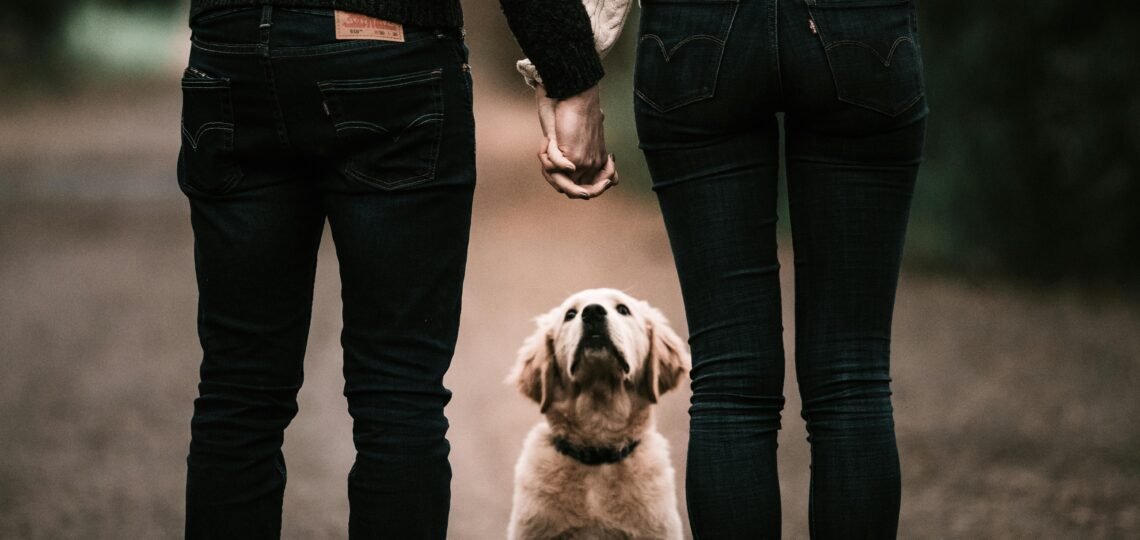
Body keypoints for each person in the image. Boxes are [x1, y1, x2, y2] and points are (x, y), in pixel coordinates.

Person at [178, 0, 613, 538]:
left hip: (231, 47)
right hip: (390, 49)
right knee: (398, 391)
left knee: (238, 392)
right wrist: (569, 75)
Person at [536, 0, 928, 537]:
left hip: (696, 33)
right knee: (852, 375)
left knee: (729, 379)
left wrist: (571, 69)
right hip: (861, 28)